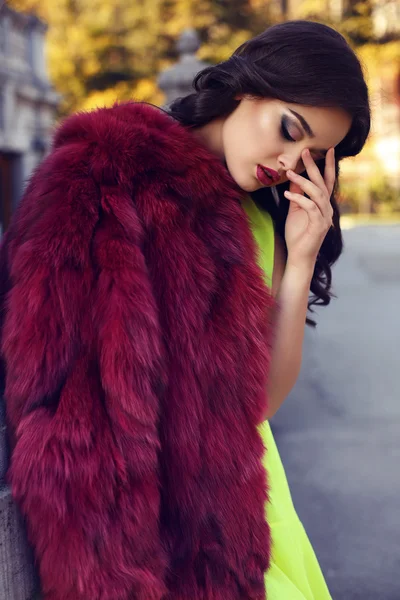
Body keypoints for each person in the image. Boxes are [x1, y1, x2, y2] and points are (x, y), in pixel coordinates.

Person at [0, 19, 370, 600]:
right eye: (289, 129)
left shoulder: (260, 217)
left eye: (314, 154)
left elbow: (260, 405)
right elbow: (65, 417)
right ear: (248, 86)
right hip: (161, 548)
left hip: (254, 523)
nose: (291, 160)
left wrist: (299, 265)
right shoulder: (103, 176)